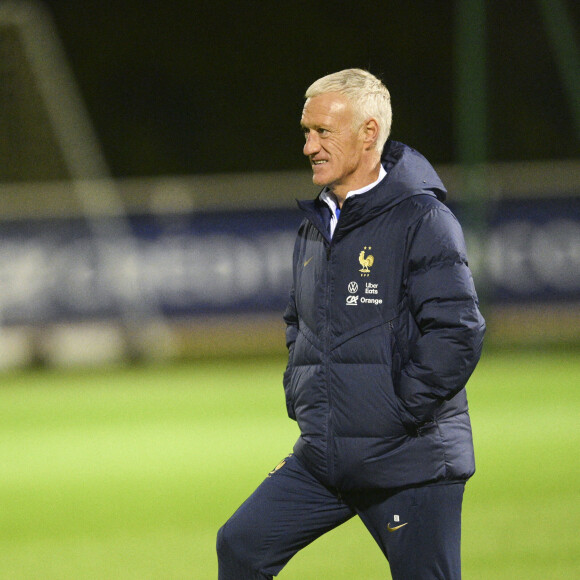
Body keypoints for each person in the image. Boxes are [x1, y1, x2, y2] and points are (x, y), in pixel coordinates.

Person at [217, 68, 485, 579]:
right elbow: (300, 323)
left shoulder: (423, 219)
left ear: (368, 134)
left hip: (408, 460)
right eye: (305, 132)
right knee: (241, 545)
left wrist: (395, 409)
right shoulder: (315, 223)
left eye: (322, 132)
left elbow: (458, 331)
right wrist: (304, 396)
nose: (308, 146)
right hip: (327, 454)